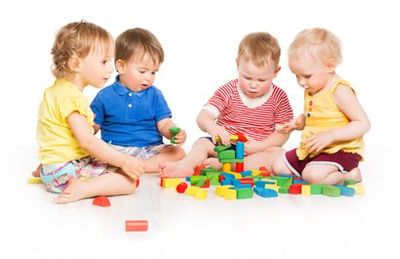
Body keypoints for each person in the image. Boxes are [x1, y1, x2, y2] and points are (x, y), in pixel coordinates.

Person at [36, 21, 145, 204]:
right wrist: (124, 161)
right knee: (128, 182)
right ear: (75, 64)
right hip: (65, 171)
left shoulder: (57, 91)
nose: (110, 68)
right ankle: (84, 188)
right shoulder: (71, 97)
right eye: (104, 62)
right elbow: (87, 142)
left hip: (54, 167)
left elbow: (56, 134)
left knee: (110, 160)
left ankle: (47, 172)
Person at [160, 32, 293, 177]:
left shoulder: (280, 97)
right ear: (238, 65)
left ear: (276, 71)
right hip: (224, 147)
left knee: (278, 154)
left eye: (262, 80)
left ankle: (224, 166)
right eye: (247, 77)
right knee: (202, 144)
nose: (253, 85)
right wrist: (213, 127)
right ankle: (184, 166)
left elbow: (283, 134)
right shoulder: (228, 91)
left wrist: (260, 146)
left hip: (256, 151)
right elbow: (203, 117)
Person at [271, 28, 370, 184]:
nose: (301, 82)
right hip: (313, 149)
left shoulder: (339, 90)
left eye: (307, 76)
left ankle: (349, 175)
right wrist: (298, 122)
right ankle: (312, 169)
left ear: (329, 66)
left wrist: (331, 136)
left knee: (314, 176)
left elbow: (363, 124)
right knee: (278, 166)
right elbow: (316, 118)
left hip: (339, 150)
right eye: (297, 76)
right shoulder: (313, 88)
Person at [90, 28, 186, 173]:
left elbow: (164, 123)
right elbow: (93, 126)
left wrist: (174, 133)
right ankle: (124, 165)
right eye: (143, 71)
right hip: (115, 150)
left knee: (178, 153)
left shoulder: (155, 95)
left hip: (150, 149)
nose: (149, 77)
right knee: (95, 153)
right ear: (121, 66)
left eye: (153, 72)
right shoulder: (104, 96)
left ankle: (140, 167)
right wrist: (84, 132)